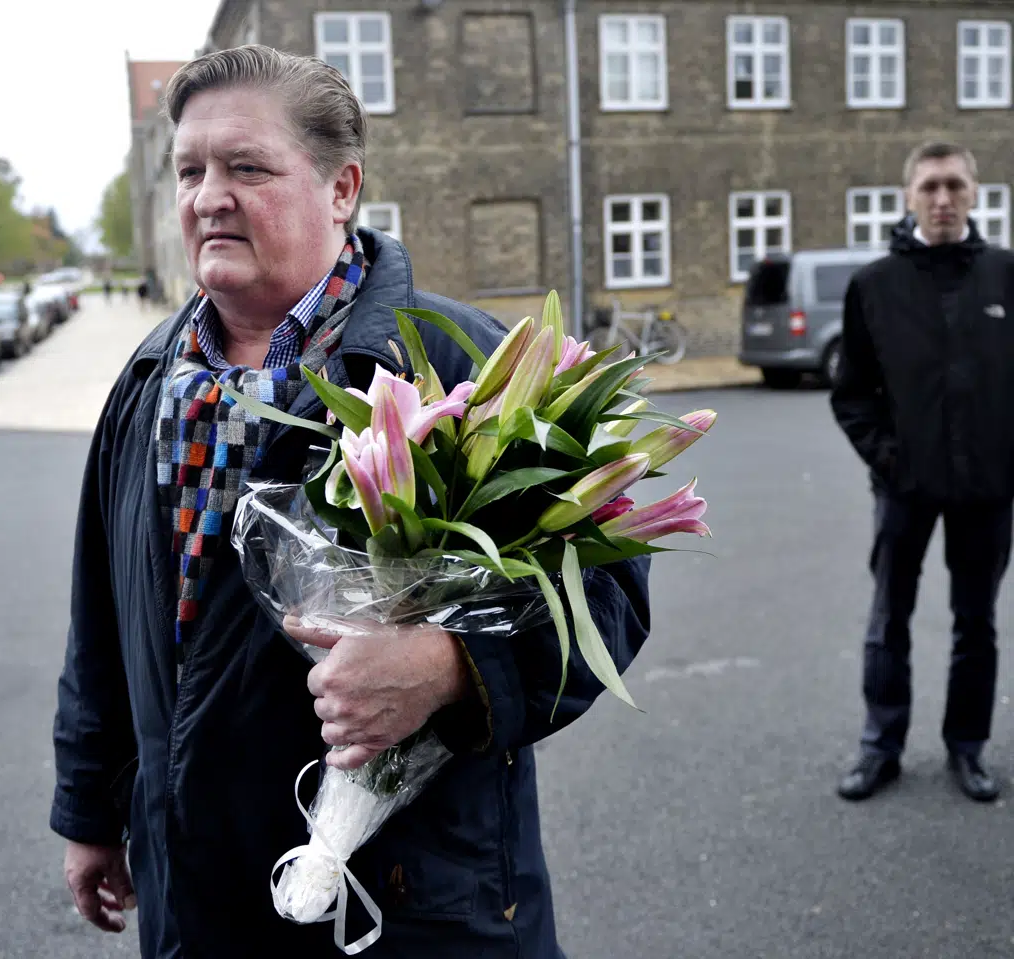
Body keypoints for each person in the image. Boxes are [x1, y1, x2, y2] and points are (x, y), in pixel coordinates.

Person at [50, 45, 652, 958]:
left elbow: (611, 599)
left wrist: (454, 668)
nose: (210, 194)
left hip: (406, 907)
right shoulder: (147, 382)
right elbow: (102, 620)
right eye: (190, 169)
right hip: (197, 898)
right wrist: (92, 807)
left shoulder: (461, 362)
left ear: (342, 189)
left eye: (247, 166)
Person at [831, 141, 1014, 803]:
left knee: (978, 623)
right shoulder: (874, 286)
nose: (943, 199)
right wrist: (888, 457)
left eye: (955, 186)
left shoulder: (1004, 275)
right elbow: (851, 392)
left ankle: (967, 747)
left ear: (975, 192)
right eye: (930, 186)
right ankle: (881, 745)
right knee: (889, 619)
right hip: (904, 488)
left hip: (988, 492)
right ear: (909, 196)